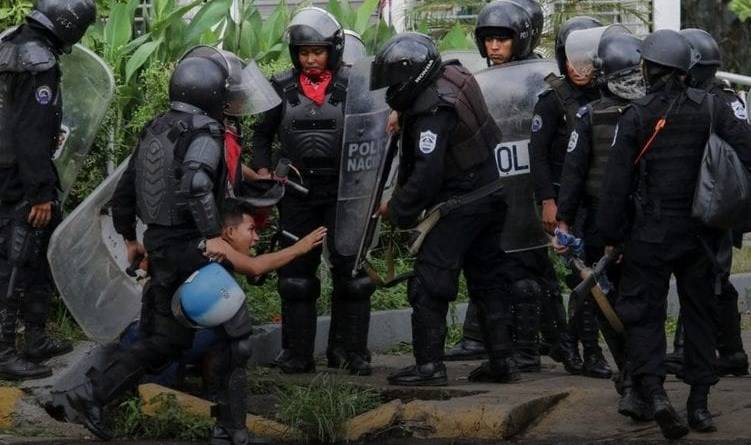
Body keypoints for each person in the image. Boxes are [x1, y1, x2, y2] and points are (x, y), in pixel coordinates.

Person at [44, 47, 279, 445]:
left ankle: (91, 395)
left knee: (163, 341)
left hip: (160, 246)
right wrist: (211, 237)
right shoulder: (205, 131)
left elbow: (124, 192)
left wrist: (131, 240)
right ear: (211, 93)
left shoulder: (155, 127)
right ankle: (231, 431)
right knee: (236, 333)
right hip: (190, 249)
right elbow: (198, 184)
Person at [597, 29, 751, 438]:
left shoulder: (635, 115)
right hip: (701, 233)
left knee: (644, 315)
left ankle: (656, 394)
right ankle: (699, 405)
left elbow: (615, 184)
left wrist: (610, 234)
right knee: (699, 315)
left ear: (649, 69)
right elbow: (745, 155)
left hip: (649, 233)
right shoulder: (714, 108)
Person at [372, 32, 518, 385]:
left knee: (429, 284)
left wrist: (398, 209)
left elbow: (426, 174)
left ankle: (429, 367)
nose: (394, 88)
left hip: (459, 205)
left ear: (415, 75)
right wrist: (401, 111)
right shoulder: (454, 74)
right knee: (489, 280)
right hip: (491, 193)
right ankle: (502, 361)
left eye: (398, 81)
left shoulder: (433, 112)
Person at [251, 7, 375, 376]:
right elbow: (261, 135)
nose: (310, 59)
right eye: (304, 52)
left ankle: (349, 353)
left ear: (333, 51)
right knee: (296, 278)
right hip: (297, 193)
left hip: (344, 193)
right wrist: (263, 170)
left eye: (318, 52)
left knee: (352, 274)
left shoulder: (355, 85)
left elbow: (374, 131)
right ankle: (297, 354)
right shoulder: (280, 87)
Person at [554, 29, 651, 419]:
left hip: (604, 222)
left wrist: (563, 223)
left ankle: (633, 377)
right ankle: (637, 380)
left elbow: (573, 174)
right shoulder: (652, 110)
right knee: (635, 304)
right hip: (640, 223)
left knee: (611, 305)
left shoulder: (591, 115)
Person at [0, 0, 96, 380]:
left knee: (38, 253)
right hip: (21, 179)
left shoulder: (10, 43)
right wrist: (40, 192)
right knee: (15, 260)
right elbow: (30, 132)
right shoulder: (39, 62)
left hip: (9, 170)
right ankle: (4, 351)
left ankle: (36, 338)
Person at [663, 28, 749, 378]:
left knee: (704, 275)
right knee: (712, 274)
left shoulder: (711, 101)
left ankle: (692, 349)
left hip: (712, 202)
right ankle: (731, 350)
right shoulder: (725, 98)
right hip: (719, 201)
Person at [528, 16, 611, 379]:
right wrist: (548, 201)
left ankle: (571, 344)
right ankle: (590, 352)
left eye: (587, 60)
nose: (580, 69)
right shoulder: (552, 101)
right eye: (572, 60)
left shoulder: (609, 96)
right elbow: (538, 156)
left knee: (594, 277)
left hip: (599, 202)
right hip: (566, 204)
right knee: (583, 276)